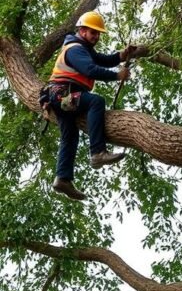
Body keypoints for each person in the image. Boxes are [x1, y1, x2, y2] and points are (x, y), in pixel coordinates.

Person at [44, 11, 135, 201]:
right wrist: (117, 75)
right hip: (63, 95)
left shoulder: (85, 49)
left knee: (70, 136)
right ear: (82, 30)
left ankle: (62, 178)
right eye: (93, 32)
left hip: (65, 98)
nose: (97, 36)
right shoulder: (75, 49)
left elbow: (102, 59)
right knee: (96, 101)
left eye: (98, 33)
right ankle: (97, 153)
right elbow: (90, 69)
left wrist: (121, 55)